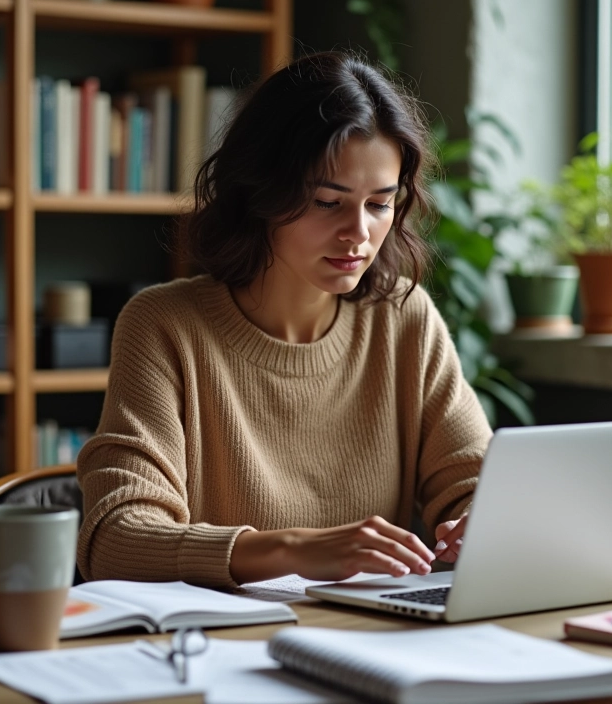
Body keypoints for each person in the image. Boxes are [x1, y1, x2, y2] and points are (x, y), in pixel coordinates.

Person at [76, 51, 493, 589]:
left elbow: (473, 479)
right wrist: (294, 549)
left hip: (370, 640)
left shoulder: (402, 318)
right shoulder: (165, 326)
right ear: (261, 193)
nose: (358, 233)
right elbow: (115, 539)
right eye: (327, 202)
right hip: (219, 649)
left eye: (380, 205)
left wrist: (477, 520)